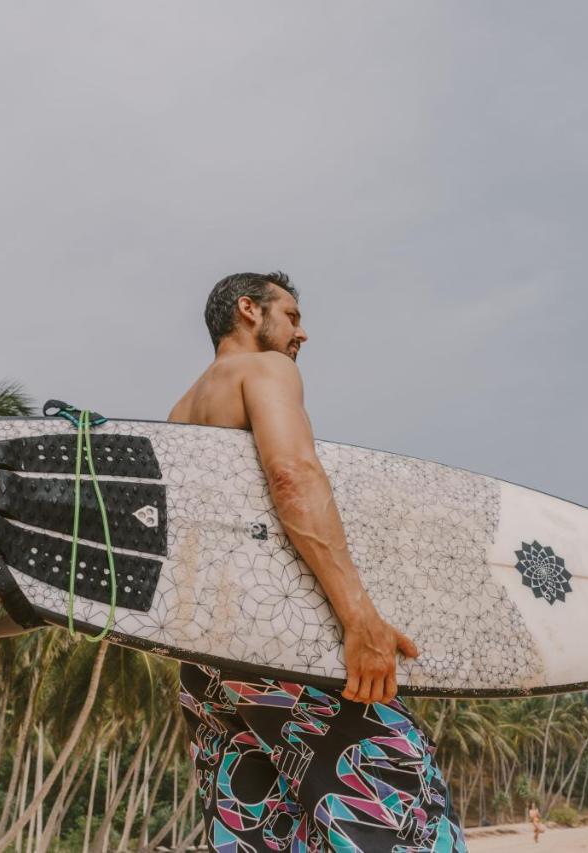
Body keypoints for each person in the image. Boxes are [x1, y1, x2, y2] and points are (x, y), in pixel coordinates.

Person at [168, 271, 468, 852]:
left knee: (263, 831)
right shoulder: (266, 370)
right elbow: (292, 475)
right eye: (294, 316)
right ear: (249, 311)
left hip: (205, 663)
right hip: (278, 643)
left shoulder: (180, 412)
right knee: (397, 804)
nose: (302, 334)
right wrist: (359, 618)